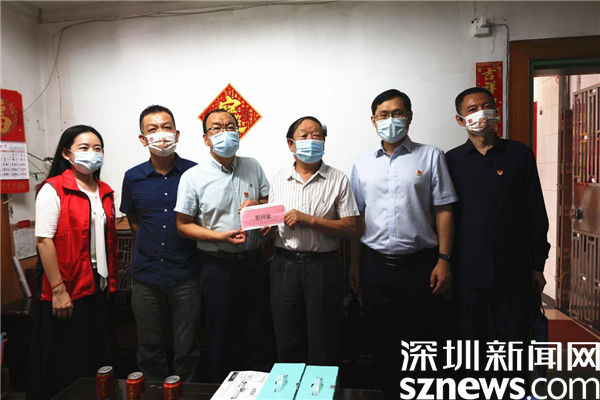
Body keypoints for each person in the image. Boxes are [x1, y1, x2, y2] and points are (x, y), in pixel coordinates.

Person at [349, 89, 458, 398]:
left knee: (420, 343)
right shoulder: (362, 164)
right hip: (375, 265)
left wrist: (444, 260)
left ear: (409, 117)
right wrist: (354, 264)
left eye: (397, 113)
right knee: (381, 343)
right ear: (374, 121)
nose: (391, 120)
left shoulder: (431, 156)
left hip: (420, 266)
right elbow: (358, 218)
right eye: (384, 115)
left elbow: (444, 209)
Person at [445, 87, 549, 381]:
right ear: (460, 119)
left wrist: (538, 265)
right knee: (468, 354)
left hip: (514, 273)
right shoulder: (450, 161)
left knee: (514, 353)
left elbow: (535, 213)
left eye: (487, 106)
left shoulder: (519, 155)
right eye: (472, 109)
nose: (481, 113)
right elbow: (444, 217)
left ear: (496, 111)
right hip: (467, 275)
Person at [175, 109, 275, 382]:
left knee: (260, 333)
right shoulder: (193, 177)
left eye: (230, 127)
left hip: (255, 262)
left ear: (239, 134)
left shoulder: (253, 166)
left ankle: (260, 390)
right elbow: (183, 226)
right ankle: (221, 389)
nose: (225, 133)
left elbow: (269, 205)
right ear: (206, 139)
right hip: (217, 266)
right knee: (220, 334)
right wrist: (219, 237)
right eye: (216, 128)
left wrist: (260, 208)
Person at [27, 125, 119, 399]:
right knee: (68, 359)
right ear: (67, 154)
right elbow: (44, 241)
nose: (92, 153)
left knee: (97, 355)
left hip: (97, 284)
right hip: (66, 285)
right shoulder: (53, 189)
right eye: (84, 148)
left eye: (97, 148)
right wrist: (58, 289)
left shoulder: (104, 190)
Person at [268, 116, 359, 365]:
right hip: (285, 266)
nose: (311, 140)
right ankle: (289, 384)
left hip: (324, 267)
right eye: (304, 135)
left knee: (325, 339)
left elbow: (350, 228)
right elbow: (274, 225)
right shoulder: (278, 179)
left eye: (317, 135)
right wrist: (265, 227)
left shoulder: (338, 179)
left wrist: (309, 220)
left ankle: (322, 385)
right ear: (291, 144)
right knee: (287, 337)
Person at [120, 105, 201, 382]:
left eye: (166, 128)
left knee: (188, 347)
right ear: (143, 139)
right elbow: (134, 221)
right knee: (149, 347)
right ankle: (154, 393)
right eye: (152, 129)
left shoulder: (195, 173)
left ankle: (187, 393)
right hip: (146, 275)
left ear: (177, 134)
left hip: (186, 273)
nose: (161, 134)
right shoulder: (133, 177)